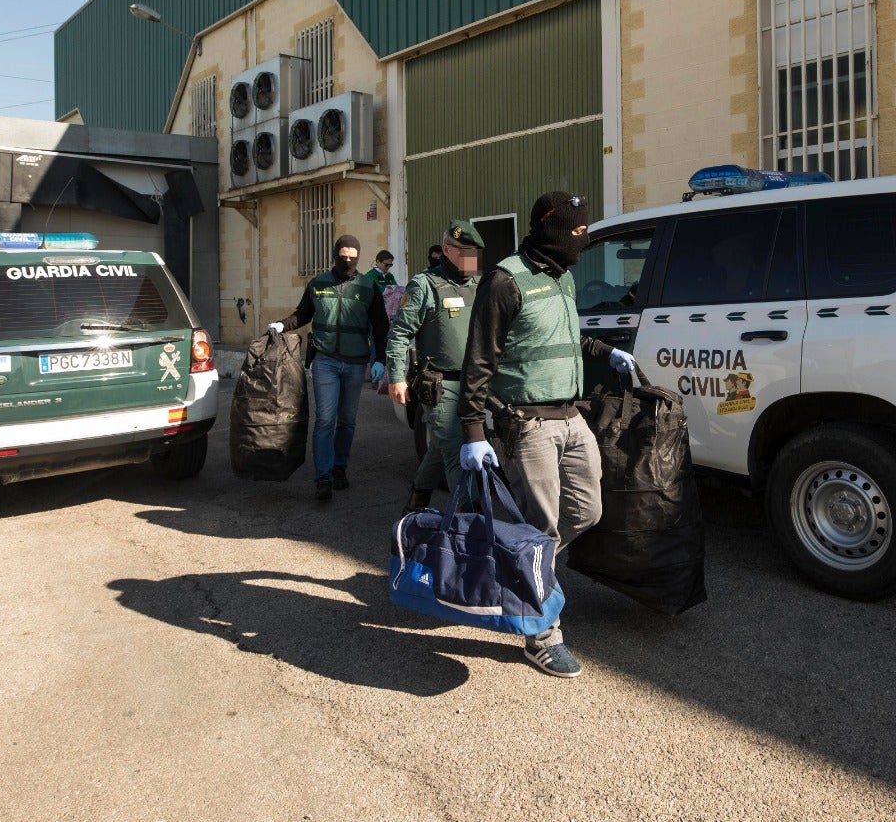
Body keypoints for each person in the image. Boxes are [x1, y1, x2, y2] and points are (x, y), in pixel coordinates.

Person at [458, 191, 635, 678]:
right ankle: (541, 634)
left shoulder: (564, 276)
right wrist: (473, 431)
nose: (582, 242)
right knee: (542, 527)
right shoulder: (504, 280)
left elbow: (566, 331)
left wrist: (603, 351)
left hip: (572, 415)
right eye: (577, 233)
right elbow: (479, 360)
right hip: (528, 422)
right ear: (551, 231)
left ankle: (517, 572)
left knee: (587, 510)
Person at [269, 234, 389, 502]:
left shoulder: (368, 287)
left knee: (347, 420)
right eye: (342, 255)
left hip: (356, 362)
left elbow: (381, 327)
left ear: (358, 257)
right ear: (334, 255)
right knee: (325, 419)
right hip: (325, 360)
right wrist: (280, 324)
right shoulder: (318, 284)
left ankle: (339, 468)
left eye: (352, 256)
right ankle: (322, 476)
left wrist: (380, 358)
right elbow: (303, 314)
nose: (347, 261)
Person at [387, 220, 487, 516]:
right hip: (439, 385)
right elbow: (399, 333)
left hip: (473, 384)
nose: (472, 259)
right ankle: (472, 521)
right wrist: (396, 376)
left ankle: (418, 496)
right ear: (446, 249)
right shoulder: (425, 285)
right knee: (458, 450)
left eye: (475, 252)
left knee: (439, 447)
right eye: (465, 251)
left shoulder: (480, 286)